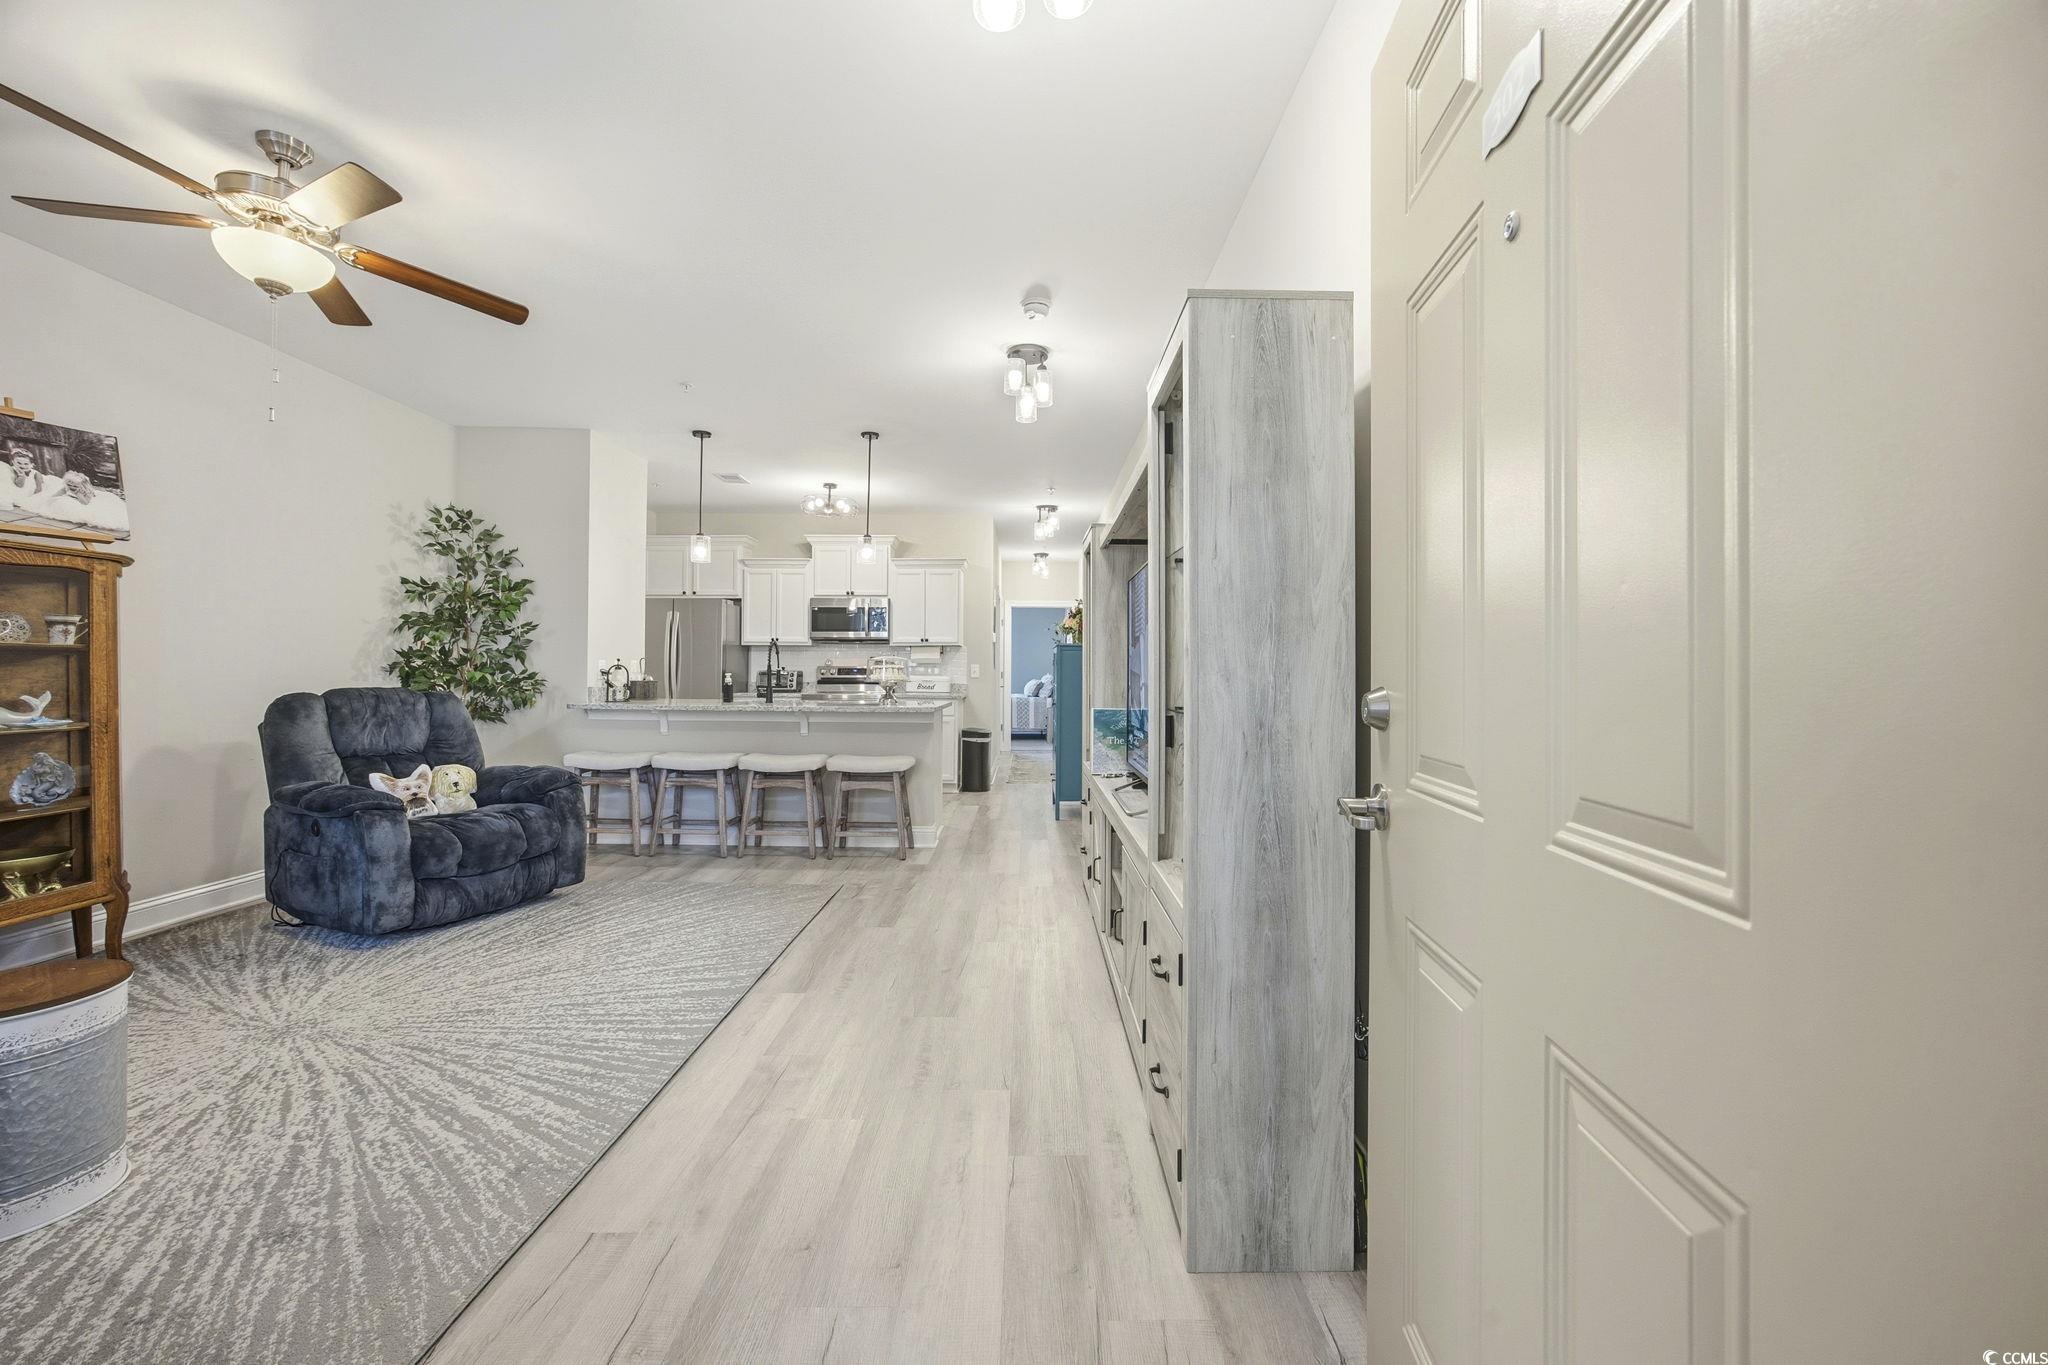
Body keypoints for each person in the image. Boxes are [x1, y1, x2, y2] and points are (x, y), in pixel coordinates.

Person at [41, 470, 129, 533]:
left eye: (73, 483)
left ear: (78, 484)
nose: (71, 485)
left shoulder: (81, 490)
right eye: (68, 483)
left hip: (84, 501)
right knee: (60, 502)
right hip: (73, 500)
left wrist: (77, 492)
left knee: (88, 513)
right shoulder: (66, 488)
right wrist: (51, 501)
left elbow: (85, 503)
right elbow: (55, 496)